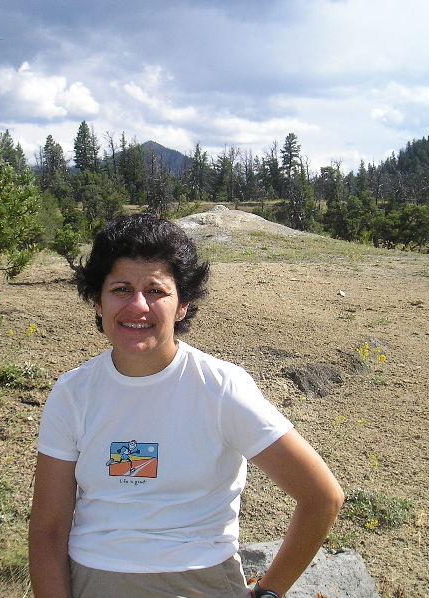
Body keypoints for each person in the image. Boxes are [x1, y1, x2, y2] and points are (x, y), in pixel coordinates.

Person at [29, 214, 344, 598]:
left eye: (156, 291)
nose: (138, 306)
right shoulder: (73, 393)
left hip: (202, 582)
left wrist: (268, 592)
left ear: (183, 305)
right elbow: (48, 529)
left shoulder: (221, 387)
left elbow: (322, 497)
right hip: (96, 580)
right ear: (98, 301)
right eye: (122, 289)